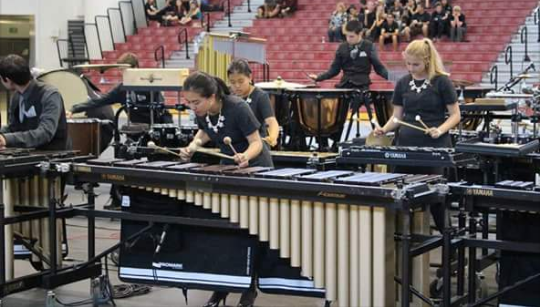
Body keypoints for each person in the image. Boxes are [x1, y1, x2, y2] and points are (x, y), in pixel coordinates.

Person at [179, 71, 272, 307]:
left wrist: (244, 158)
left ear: (211, 97)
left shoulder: (237, 107)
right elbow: (205, 131)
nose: (192, 107)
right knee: (223, 229)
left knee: (250, 231)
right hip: (228, 169)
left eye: (196, 102)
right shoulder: (204, 110)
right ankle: (222, 285)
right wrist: (193, 145)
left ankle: (248, 289)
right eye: (188, 102)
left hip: (255, 169)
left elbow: (256, 143)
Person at [374, 38, 460, 230]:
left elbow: (455, 115)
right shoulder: (403, 83)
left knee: (437, 197)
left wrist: (440, 130)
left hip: (434, 147)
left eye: (416, 64)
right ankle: (400, 240)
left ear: (427, 60)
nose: (411, 68)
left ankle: (447, 242)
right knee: (399, 192)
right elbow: (397, 116)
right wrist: (384, 129)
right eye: (408, 64)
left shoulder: (441, 81)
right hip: (405, 146)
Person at [309, 19, 388, 146]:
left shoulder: (369, 47)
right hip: (344, 85)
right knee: (331, 106)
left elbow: (379, 69)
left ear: (360, 34)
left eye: (351, 36)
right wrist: (318, 78)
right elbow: (334, 70)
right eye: (347, 36)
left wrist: (394, 78)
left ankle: (376, 139)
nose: (348, 38)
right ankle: (328, 139)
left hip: (362, 86)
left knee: (355, 104)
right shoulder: (342, 47)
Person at [67, 52, 172, 127]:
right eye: (121, 70)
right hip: (138, 127)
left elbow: (161, 108)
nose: (123, 74)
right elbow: (99, 101)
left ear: (136, 67)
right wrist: (74, 109)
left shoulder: (149, 84)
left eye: (126, 70)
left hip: (159, 124)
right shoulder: (121, 89)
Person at [0, 54, 70, 150]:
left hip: (52, 156)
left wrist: (6, 139)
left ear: (7, 80)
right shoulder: (17, 97)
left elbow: (45, 132)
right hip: (28, 154)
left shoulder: (50, 94)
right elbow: (14, 128)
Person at [227, 59, 279, 148]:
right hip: (234, 144)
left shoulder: (260, 96)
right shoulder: (228, 95)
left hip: (257, 144)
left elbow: (271, 120)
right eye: (232, 82)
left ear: (250, 77)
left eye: (241, 81)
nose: (237, 86)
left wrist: (273, 137)